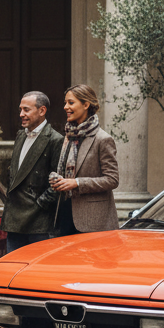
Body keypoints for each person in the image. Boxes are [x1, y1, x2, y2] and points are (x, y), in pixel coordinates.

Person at [49, 83, 119, 234]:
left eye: (71, 102)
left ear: (86, 104)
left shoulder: (103, 139)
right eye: (65, 103)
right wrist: (58, 180)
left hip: (93, 222)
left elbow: (112, 179)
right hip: (64, 215)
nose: (65, 107)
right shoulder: (69, 136)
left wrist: (77, 183)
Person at [1, 91, 64, 252]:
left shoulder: (55, 139)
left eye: (26, 110)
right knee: (13, 269)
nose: (21, 114)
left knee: (37, 273)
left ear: (42, 111)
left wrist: (40, 204)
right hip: (14, 220)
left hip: (39, 223)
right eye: (20, 109)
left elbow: (58, 182)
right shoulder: (20, 135)